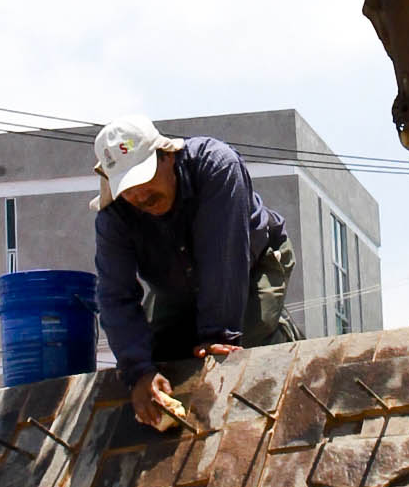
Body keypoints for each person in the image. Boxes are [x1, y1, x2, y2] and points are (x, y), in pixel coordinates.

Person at [92, 119, 296, 432]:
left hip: (250, 265)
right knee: (164, 361)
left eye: (144, 179)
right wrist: (139, 371)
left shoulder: (217, 166)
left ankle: (282, 332)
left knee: (243, 340)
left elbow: (224, 254)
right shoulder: (113, 216)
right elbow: (114, 295)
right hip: (176, 288)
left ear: (167, 156)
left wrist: (218, 335)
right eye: (128, 189)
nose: (141, 196)